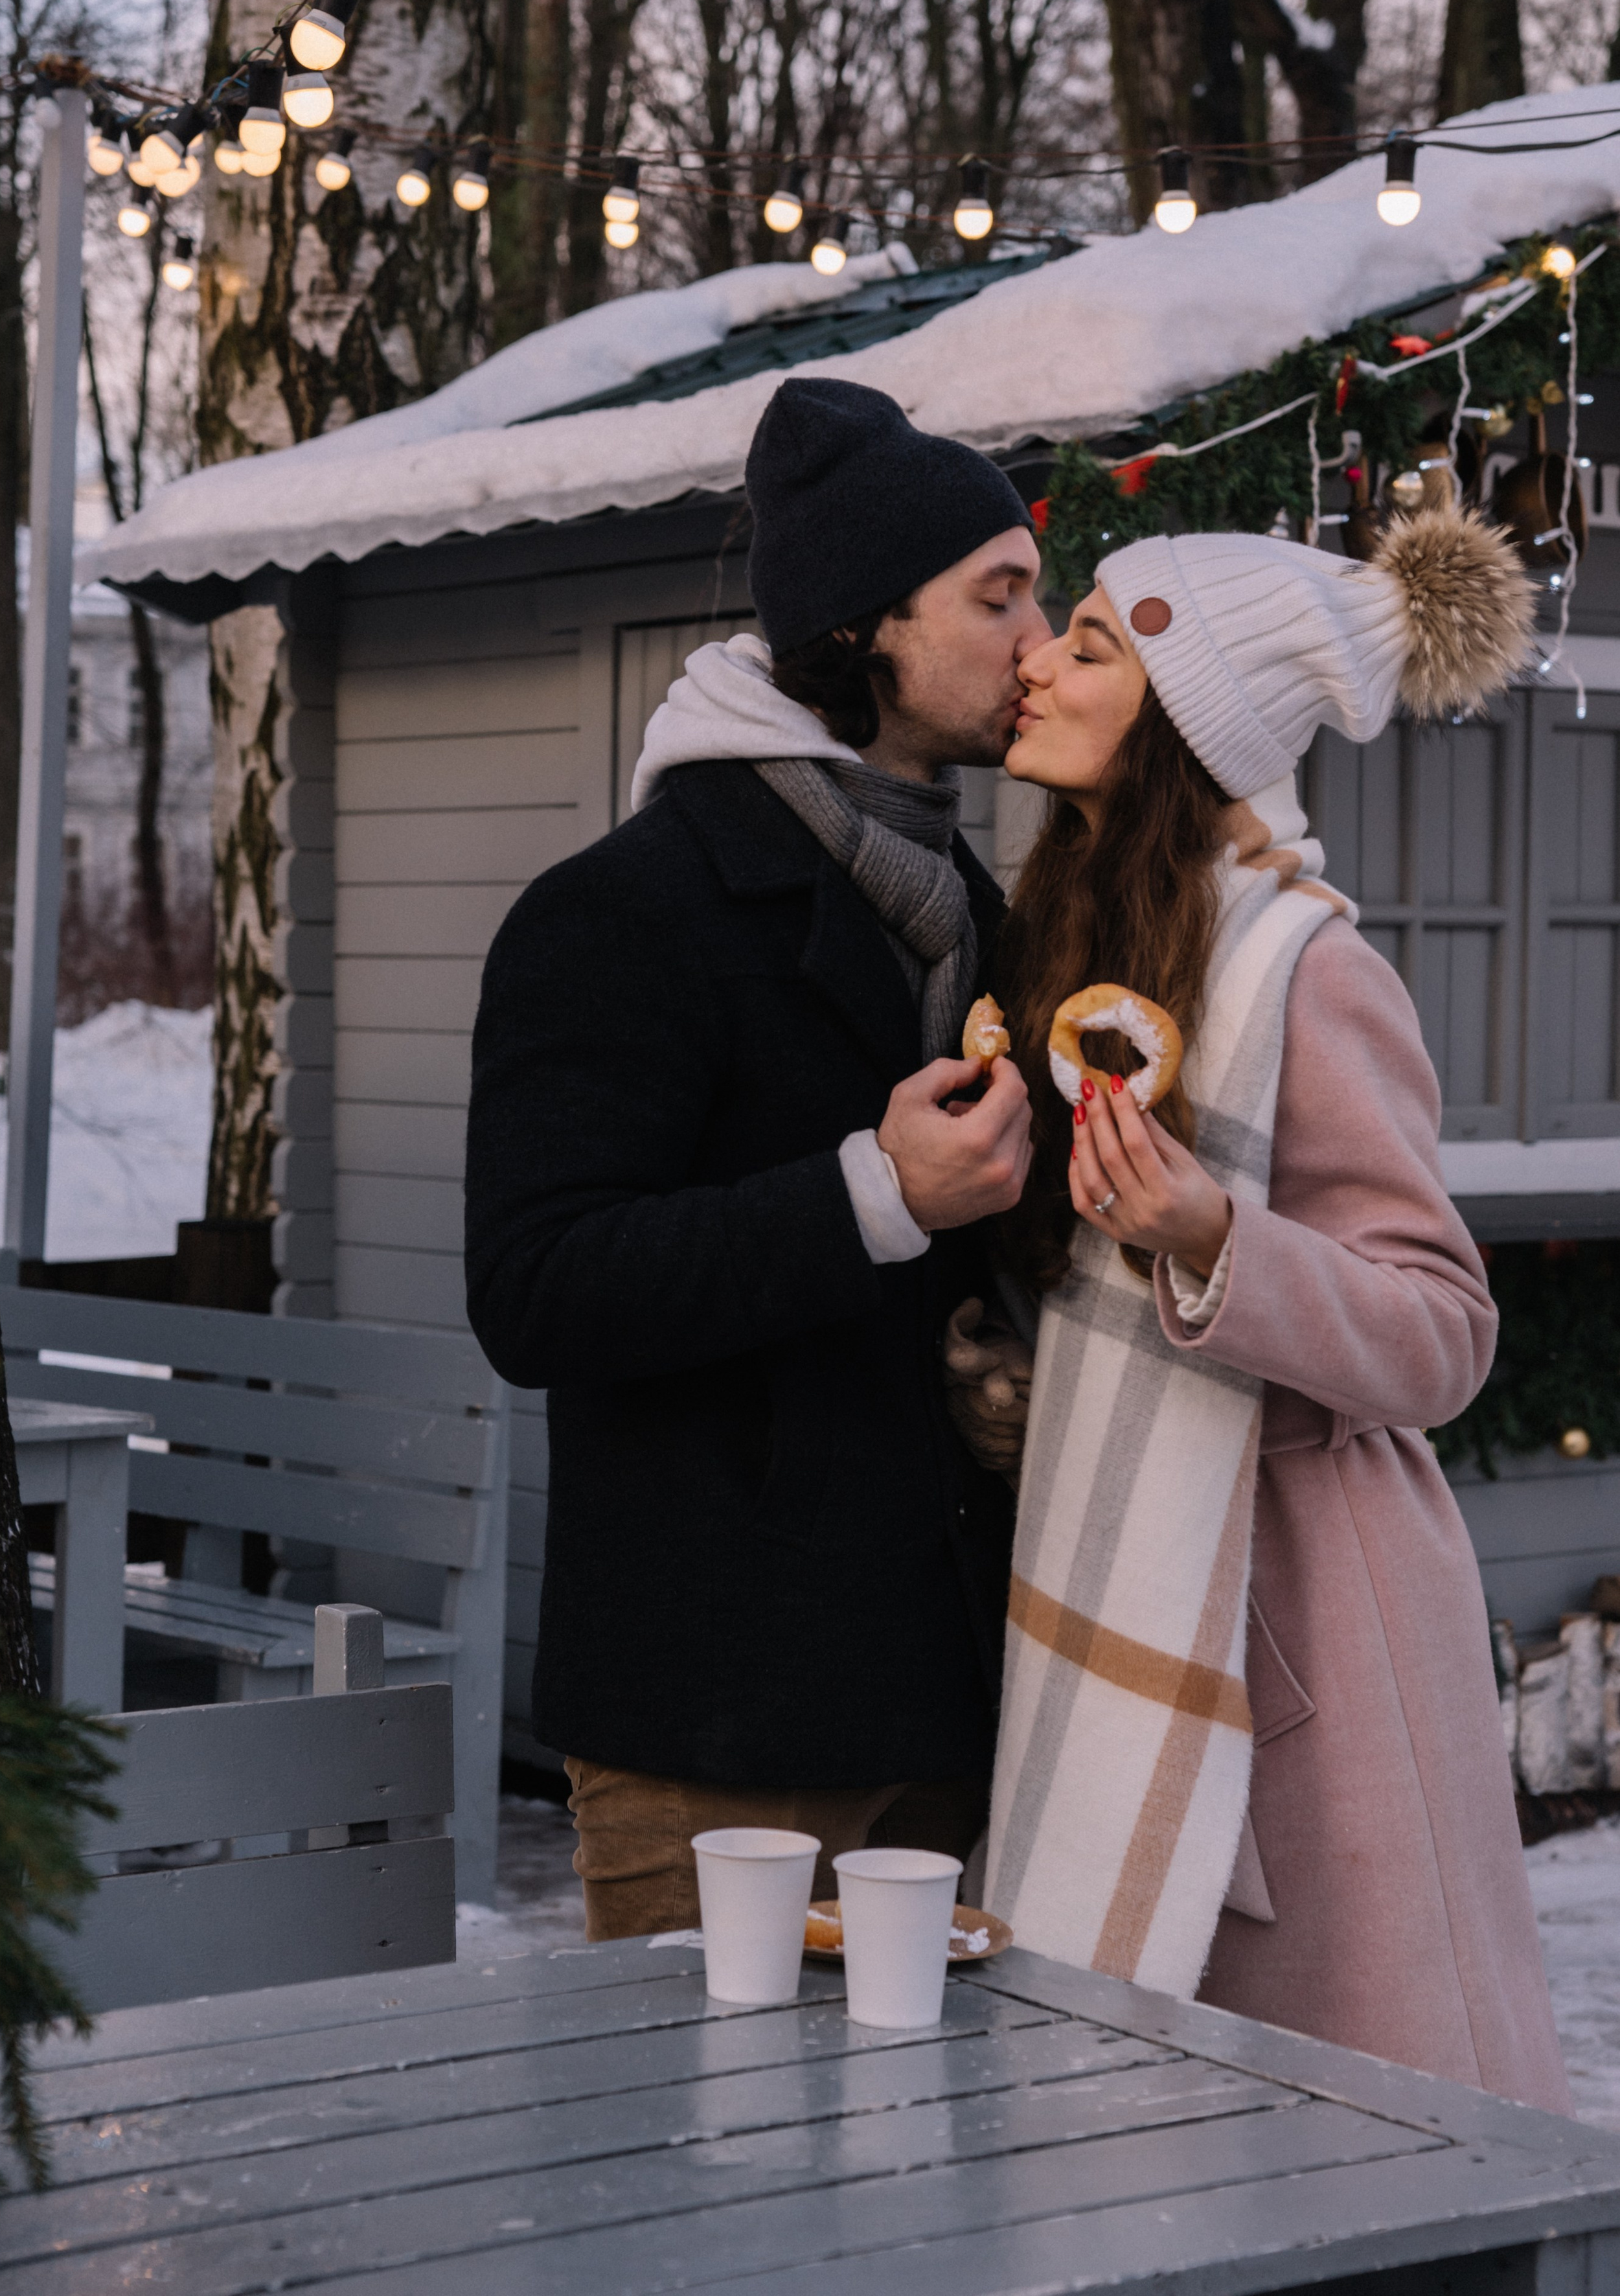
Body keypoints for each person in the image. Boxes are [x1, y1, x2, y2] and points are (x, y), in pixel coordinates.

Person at [964, 505, 1570, 2111]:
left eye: (1088, 644)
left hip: (1301, 1620)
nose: (1035, 661)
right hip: (1148, 1574)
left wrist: (1211, 1231)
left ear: (1183, 721)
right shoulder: (1081, 942)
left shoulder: (1305, 971)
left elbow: (1438, 1333)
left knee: (1351, 2136)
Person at [465, 377, 1049, 1939]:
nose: (1037, 643)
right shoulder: (624, 910)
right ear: (863, 624)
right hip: (715, 1709)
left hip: (951, 1683)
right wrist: (872, 1197)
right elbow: (536, 1291)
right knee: (698, 2166)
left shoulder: (968, 910)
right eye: (996, 597)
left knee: (930, 2173)